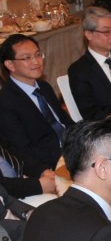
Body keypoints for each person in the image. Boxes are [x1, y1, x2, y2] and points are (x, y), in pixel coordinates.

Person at [0, 33, 74, 169]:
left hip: (73, 149)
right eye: (27, 58)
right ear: (10, 64)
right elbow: (20, 149)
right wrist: (43, 171)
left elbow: (64, 121)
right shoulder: (5, 102)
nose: (36, 62)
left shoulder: (44, 87)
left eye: (38, 55)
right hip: (50, 162)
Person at [0, 131, 58, 199]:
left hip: (22, 183)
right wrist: (38, 185)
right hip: (8, 197)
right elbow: (3, 187)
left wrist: (41, 171)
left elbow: (13, 152)